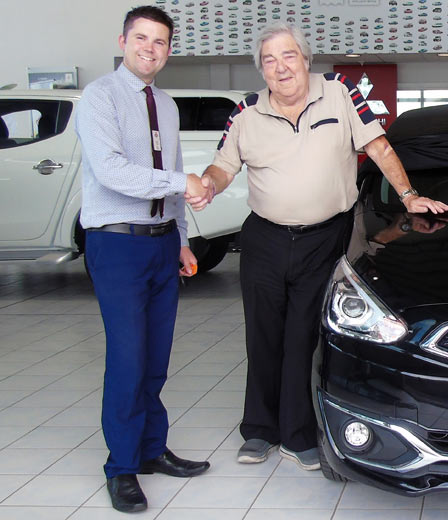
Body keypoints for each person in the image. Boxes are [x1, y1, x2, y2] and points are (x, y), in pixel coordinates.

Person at [192, 22, 447, 471]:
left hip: (325, 236)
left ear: (305, 60)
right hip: (265, 238)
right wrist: (208, 188)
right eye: (269, 60)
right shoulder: (245, 113)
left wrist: (409, 196)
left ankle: (297, 433)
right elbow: (221, 167)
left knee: (303, 335)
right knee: (263, 335)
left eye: (288, 56)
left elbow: (379, 146)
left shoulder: (340, 92)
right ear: (262, 70)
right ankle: (258, 431)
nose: (280, 67)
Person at [75, 5, 213, 513]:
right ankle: (122, 466)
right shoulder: (98, 98)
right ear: (123, 40)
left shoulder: (169, 105)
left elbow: (172, 174)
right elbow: (113, 171)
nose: (149, 48)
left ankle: (153, 450)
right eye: (141, 38)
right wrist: (184, 183)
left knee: (155, 359)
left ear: (169, 50)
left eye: (160, 42)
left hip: (159, 244)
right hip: (117, 245)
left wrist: (180, 237)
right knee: (129, 358)